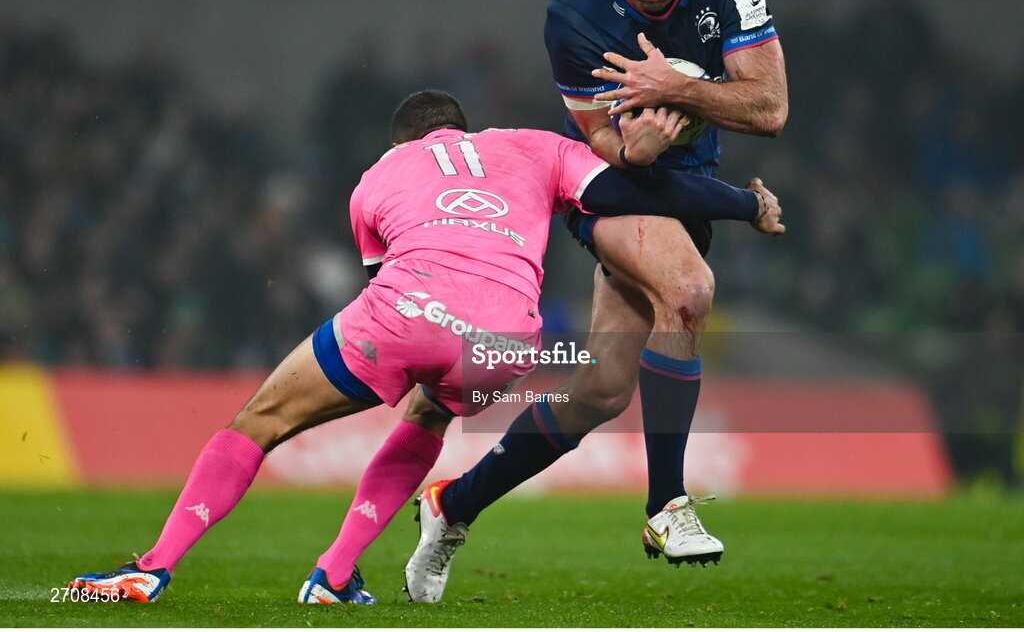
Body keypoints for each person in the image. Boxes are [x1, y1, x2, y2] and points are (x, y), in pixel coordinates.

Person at [67, 89, 783, 604]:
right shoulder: (536, 146)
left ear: (402, 142)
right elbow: (640, 189)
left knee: (259, 421)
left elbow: (385, 279)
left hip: (409, 310)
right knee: (430, 413)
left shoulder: (376, 177)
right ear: (464, 129)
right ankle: (336, 574)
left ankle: (154, 567)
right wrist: (746, 204)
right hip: (507, 341)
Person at [404, 0, 788, 602]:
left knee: (602, 391)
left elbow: (769, 108)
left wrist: (672, 88)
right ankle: (666, 507)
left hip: (689, 190)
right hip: (607, 188)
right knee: (690, 290)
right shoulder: (574, 13)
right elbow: (606, 147)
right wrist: (635, 145)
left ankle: (452, 504)